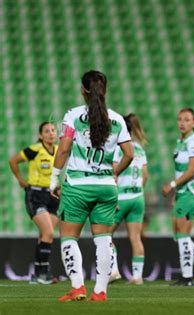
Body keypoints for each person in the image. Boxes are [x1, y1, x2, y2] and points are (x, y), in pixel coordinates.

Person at [50, 70, 134, 301]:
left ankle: (77, 287)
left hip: (78, 184)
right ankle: (100, 292)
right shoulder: (117, 119)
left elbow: (64, 148)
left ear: (83, 90)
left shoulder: (73, 116)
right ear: (104, 90)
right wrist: (113, 172)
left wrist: (54, 178)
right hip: (106, 186)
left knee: (68, 236)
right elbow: (129, 154)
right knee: (104, 238)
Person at [162, 108, 194, 286]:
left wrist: (172, 185)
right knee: (178, 233)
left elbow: (192, 170)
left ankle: (187, 277)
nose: (182, 123)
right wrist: (177, 192)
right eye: (180, 119)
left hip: (192, 192)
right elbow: (180, 170)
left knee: (182, 234)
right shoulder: (180, 141)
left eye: (187, 120)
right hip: (183, 193)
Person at [9, 122, 59, 284]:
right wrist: (21, 180)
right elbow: (13, 161)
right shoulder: (35, 150)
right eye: (47, 131)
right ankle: (43, 273)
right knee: (49, 233)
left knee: (45, 235)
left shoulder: (59, 151)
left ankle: (39, 273)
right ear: (40, 135)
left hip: (52, 196)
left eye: (53, 130)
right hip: (35, 195)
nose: (51, 133)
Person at [109, 113, 148, 285]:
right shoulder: (139, 148)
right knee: (135, 237)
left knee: (105, 234)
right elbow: (145, 176)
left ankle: (114, 270)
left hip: (122, 197)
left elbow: (114, 173)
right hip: (138, 197)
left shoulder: (119, 148)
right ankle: (137, 276)